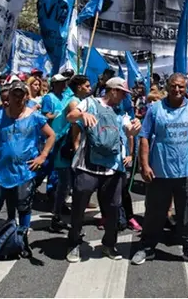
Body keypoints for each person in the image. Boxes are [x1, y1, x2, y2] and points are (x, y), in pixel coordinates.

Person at [131, 73, 188, 268]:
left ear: (186, 88)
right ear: (167, 86)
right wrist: (145, 165)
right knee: (154, 212)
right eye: (174, 86)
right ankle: (147, 247)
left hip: (187, 170)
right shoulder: (155, 109)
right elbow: (144, 137)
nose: (177, 90)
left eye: (181, 87)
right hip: (160, 171)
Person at [0, 81, 55, 261]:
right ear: (7, 97)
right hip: (0, 173)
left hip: (25, 172)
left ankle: (22, 240)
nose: (17, 98)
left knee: (24, 207)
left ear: (26, 96)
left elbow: (51, 135)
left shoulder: (35, 117)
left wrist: (42, 156)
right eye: (14, 94)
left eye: (21, 94)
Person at [64, 77, 141, 263]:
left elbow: (129, 130)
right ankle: (74, 242)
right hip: (87, 166)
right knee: (79, 205)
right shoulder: (89, 102)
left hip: (113, 169)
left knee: (114, 209)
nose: (124, 97)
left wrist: (135, 128)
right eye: (123, 93)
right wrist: (82, 115)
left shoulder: (120, 111)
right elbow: (70, 116)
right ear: (112, 90)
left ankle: (109, 244)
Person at [49, 75, 91, 233]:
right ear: (79, 87)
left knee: (69, 184)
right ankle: (57, 217)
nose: (89, 88)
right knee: (65, 184)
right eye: (87, 85)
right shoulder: (74, 102)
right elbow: (75, 120)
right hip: (63, 146)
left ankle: (62, 216)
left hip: (67, 146)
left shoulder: (77, 100)